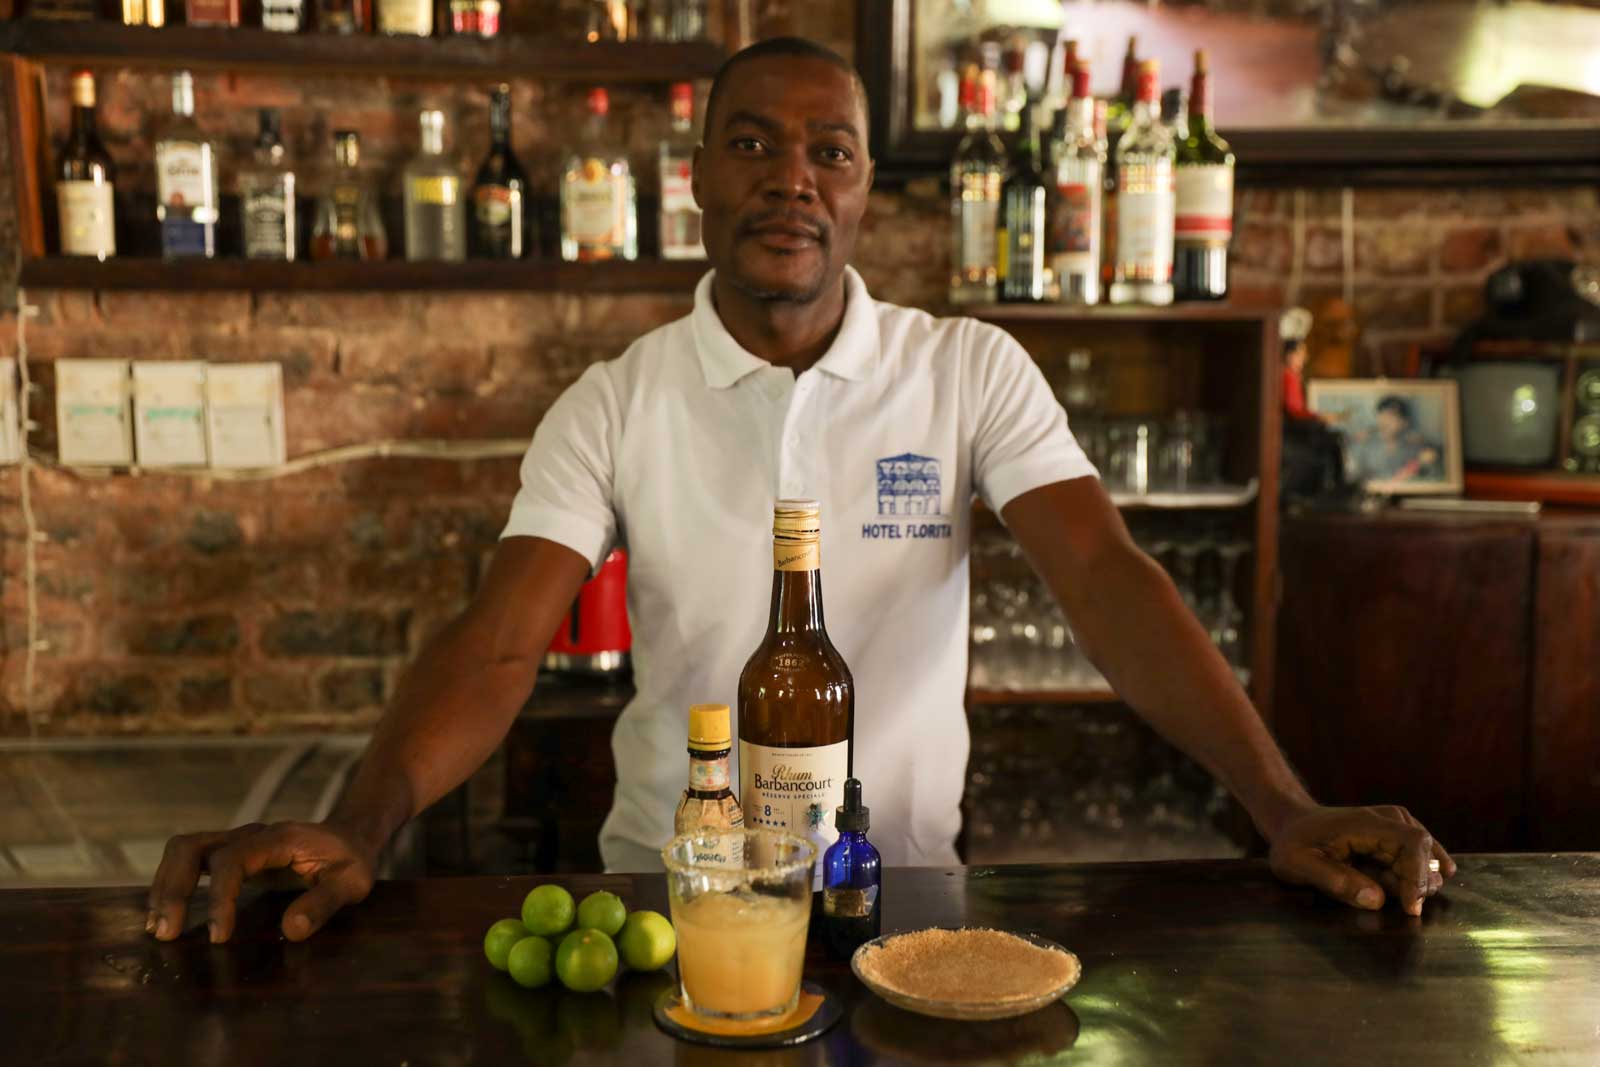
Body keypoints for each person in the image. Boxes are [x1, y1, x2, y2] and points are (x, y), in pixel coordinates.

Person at [147, 37, 1454, 946]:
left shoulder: (966, 370)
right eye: (755, 145)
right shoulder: (616, 397)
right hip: (667, 893)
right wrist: (361, 822)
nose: (793, 177)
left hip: (909, 892)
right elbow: (499, 641)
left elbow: (1107, 580)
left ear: (866, 193)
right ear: (701, 176)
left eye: (830, 151)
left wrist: (1282, 804)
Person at [1348, 395, 1443, 484]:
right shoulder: (1366, 447)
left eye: (1391, 416)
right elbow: (1356, 478)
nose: (1384, 421)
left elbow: (1429, 478)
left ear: (1404, 422)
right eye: (1381, 415)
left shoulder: (1416, 448)